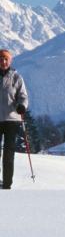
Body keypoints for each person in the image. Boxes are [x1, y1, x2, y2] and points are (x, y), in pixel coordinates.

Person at [0, 49, 28, 189]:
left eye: (6, 59)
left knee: (8, 154)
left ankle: (6, 184)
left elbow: (23, 96)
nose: (3, 61)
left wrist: (22, 106)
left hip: (12, 120)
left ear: (10, 61)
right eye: (1, 59)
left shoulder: (17, 77)